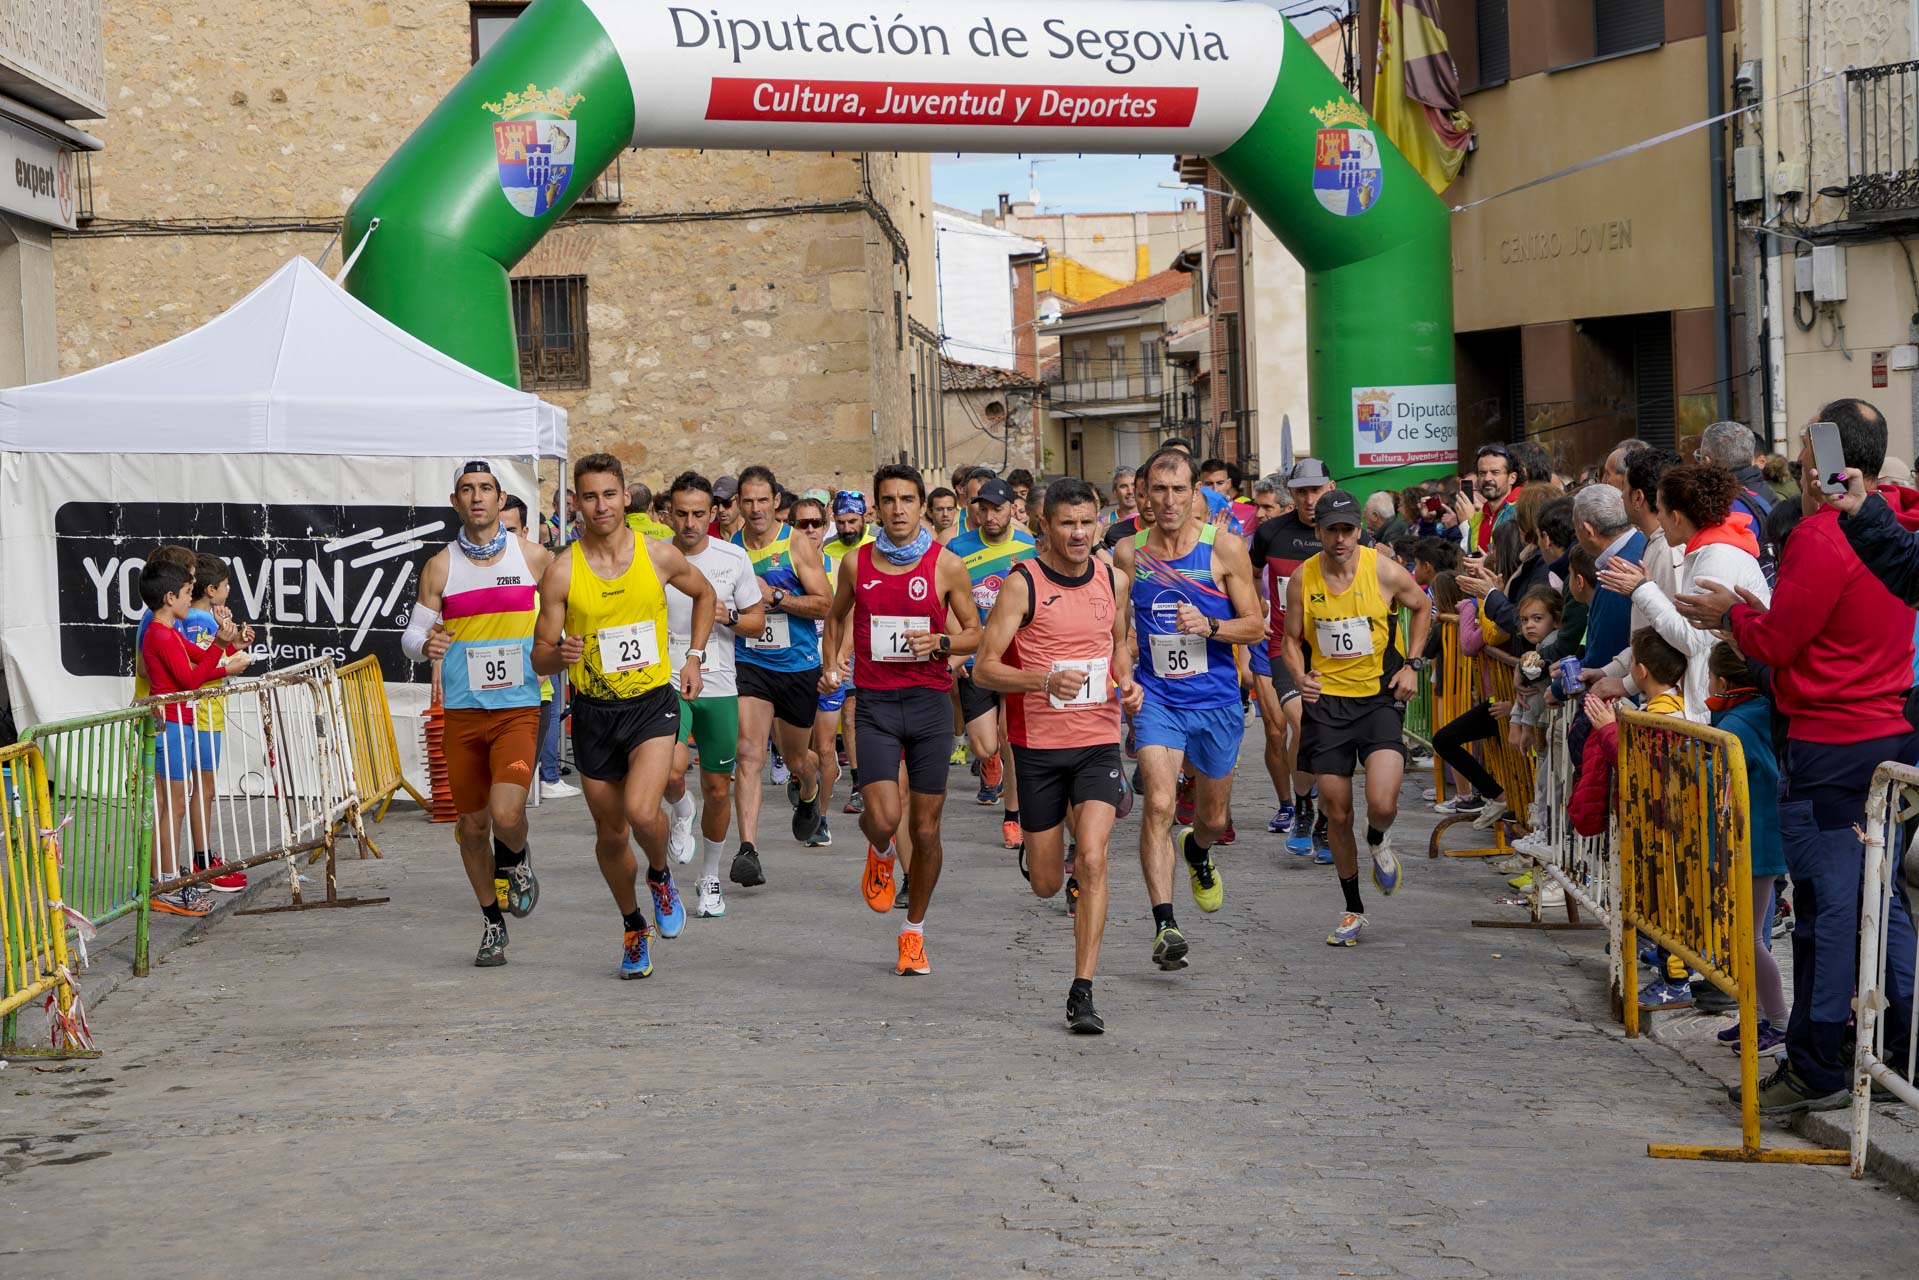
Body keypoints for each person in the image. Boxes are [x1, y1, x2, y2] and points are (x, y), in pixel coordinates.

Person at [1676, 400, 1919, 1113]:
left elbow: (1777, 643)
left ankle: (1816, 1065)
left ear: (1819, 461)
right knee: (1883, 907)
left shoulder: (1823, 534)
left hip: (1832, 742)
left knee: (1826, 910)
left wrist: (1731, 616)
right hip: (1888, 735)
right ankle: (1897, 1051)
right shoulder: (1898, 514)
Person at [533, 453, 717, 980]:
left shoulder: (657, 555)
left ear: (624, 497)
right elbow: (539, 654)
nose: (600, 505)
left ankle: (661, 875)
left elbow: (704, 594)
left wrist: (694, 658)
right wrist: (558, 655)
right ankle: (633, 925)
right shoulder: (562, 570)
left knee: (642, 812)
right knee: (612, 834)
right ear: (577, 504)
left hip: (651, 706)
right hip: (593, 713)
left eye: (608, 494)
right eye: (589, 496)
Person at [974, 478, 1139, 1032]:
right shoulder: (1023, 583)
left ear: (1100, 522)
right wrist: (1042, 680)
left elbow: (1118, 643)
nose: (1078, 533)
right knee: (1047, 883)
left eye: (1087, 523)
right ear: (1044, 525)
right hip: (1038, 747)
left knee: (1093, 857)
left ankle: (1083, 990)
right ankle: (1045, 858)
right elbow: (984, 668)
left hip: (1097, 739)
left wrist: (1127, 682)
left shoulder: (1114, 578)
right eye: (1066, 523)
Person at [821, 464, 983, 976]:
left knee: (928, 828)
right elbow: (835, 616)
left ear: (921, 506)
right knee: (885, 817)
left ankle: (913, 932)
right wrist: (832, 666)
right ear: (874, 508)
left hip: (931, 705)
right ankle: (881, 850)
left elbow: (976, 633)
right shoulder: (855, 563)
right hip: (874, 706)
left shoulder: (946, 565)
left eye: (907, 500)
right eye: (888, 500)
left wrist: (941, 643)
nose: (897, 510)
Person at [1113, 448, 1265, 971]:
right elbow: (1116, 633)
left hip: (1217, 702)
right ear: (1144, 496)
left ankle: (1197, 851)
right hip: (1159, 701)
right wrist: (1126, 678)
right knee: (1157, 803)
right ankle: (1165, 924)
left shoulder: (1223, 548)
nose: (1170, 501)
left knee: (1212, 817)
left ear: (1195, 493)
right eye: (1159, 490)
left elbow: (1256, 625)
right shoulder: (1129, 553)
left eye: (1179, 490)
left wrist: (1211, 627)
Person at [402, 461, 555, 966]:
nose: (477, 498)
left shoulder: (534, 559)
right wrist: (426, 643)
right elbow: (409, 637)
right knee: (471, 827)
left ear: (501, 498)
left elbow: (568, 614)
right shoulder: (441, 566)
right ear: (455, 502)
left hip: (519, 707)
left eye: (485, 489)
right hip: (463, 713)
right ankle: (492, 922)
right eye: (467, 490)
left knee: (507, 814)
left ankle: (515, 857)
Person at [1282, 489, 1432, 947]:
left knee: (1383, 803)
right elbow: (1290, 639)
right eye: (1333, 529)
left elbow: (1423, 606)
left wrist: (1412, 664)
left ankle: (1379, 839)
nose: (1341, 537)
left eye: (1349, 529)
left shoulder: (1383, 570)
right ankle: (1353, 909)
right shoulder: (1301, 581)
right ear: (1319, 532)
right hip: (1327, 707)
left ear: (1359, 531)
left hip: (1377, 699)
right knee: (1338, 811)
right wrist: (1299, 674)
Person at [659, 472, 766, 920]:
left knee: (719, 788)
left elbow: (757, 623)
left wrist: (730, 616)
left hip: (719, 684)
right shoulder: (651, 558)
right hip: (663, 679)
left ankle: (710, 877)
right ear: (667, 514)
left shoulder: (732, 557)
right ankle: (681, 810)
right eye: (681, 514)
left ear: (714, 513)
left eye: (699, 513)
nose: (690, 523)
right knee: (670, 770)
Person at [1596, 464, 1768, 723]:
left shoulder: (1717, 557)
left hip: (1724, 703)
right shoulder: (1708, 553)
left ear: (1676, 517)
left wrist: (1642, 589)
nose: (1659, 519)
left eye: (1661, 510)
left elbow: (1691, 638)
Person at [730, 464, 834, 885]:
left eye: (762, 500)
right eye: (747, 501)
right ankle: (748, 850)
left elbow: (824, 604)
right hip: (750, 661)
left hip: (796, 665)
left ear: (777, 502)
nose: (755, 509)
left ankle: (808, 790)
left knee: (796, 758)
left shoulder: (796, 545)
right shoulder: (731, 548)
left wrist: (774, 595)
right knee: (749, 754)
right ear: (739, 504)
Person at [1247, 458, 1350, 852]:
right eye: (1302, 491)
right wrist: (1256, 606)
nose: (1310, 499)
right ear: (1292, 494)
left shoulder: (1346, 534)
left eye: (1317, 490)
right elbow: (1252, 573)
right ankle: (1305, 808)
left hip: (1334, 654)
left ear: (1331, 487)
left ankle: (1321, 816)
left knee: (1328, 733)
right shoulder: (1271, 533)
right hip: (1283, 647)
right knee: (1304, 724)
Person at [142, 558, 251, 916]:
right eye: (188, 594)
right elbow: (190, 679)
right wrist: (222, 659)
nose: (193, 600)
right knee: (172, 807)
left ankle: (167, 879)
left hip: (180, 722)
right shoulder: (160, 633)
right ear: (170, 597)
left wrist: (225, 644)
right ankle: (167, 882)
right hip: (171, 724)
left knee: (174, 803)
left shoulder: (170, 631)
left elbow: (201, 658)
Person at [1706, 641, 1790, 1056]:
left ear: (1722, 681)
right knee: (1748, 935)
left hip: (1752, 844)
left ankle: (1777, 1021)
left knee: (1750, 938)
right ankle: (1757, 1016)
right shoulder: (1763, 713)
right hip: (1762, 839)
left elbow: (1713, 779)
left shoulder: (1737, 725)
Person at [947, 477, 1038, 848]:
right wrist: (960, 648)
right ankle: (989, 763)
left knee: (1010, 739)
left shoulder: (1030, 546)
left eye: (997, 509)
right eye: (982, 508)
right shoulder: (957, 548)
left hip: (1017, 657)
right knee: (986, 745)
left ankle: (1013, 817)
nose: (989, 516)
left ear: (1012, 509)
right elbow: (948, 600)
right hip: (977, 657)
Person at [180, 553, 253, 893]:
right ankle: (202, 860)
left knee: (192, 791)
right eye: (225, 586)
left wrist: (235, 642)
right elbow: (205, 667)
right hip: (204, 713)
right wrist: (234, 661)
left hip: (196, 712)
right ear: (210, 589)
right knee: (203, 790)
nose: (229, 590)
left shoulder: (190, 618)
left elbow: (207, 657)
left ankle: (200, 858)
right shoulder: (202, 620)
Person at [500, 495, 579, 800]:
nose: (503, 538)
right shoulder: (478, 574)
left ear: (525, 531)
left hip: (535, 694)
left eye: (510, 530)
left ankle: (547, 776)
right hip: (490, 700)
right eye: (499, 529)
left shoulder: (545, 571)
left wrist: (548, 663)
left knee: (512, 797)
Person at [1100, 466, 1139, 541]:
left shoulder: (1152, 518)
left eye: (1133, 485)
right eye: (1123, 486)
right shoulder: (1106, 523)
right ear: (1115, 492)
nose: (1130, 491)